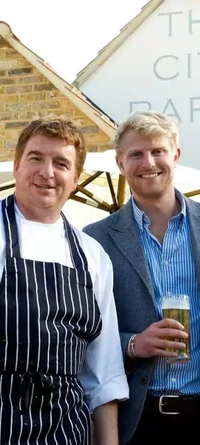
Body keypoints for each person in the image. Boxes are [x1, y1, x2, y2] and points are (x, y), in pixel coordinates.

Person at [83, 111, 200, 445]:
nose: (148, 162)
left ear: (176, 156)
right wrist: (133, 344)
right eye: (136, 154)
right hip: (135, 420)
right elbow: (88, 329)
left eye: (158, 151)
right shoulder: (95, 238)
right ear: (120, 163)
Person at [0, 117, 129, 444]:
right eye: (35, 158)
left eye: (61, 163)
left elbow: (104, 373)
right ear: (16, 166)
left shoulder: (93, 255)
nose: (47, 172)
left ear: (75, 179)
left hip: (66, 430)